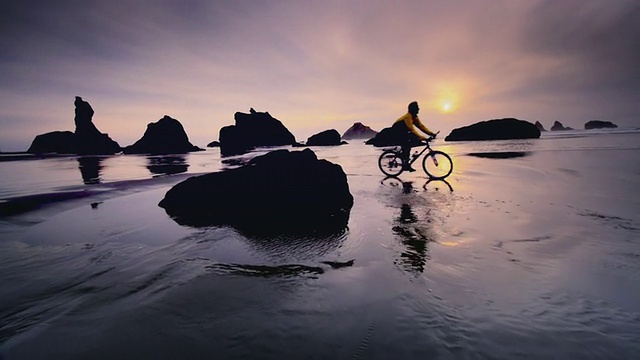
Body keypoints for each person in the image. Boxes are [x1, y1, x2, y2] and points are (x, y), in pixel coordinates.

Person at [392, 101, 436, 171]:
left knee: (412, 141)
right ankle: (405, 163)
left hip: (404, 132)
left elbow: (421, 126)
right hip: (396, 132)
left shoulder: (414, 117)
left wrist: (431, 133)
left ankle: (406, 158)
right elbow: (412, 130)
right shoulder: (408, 117)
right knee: (408, 143)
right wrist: (423, 138)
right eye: (417, 108)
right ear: (413, 109)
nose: (419, 109)